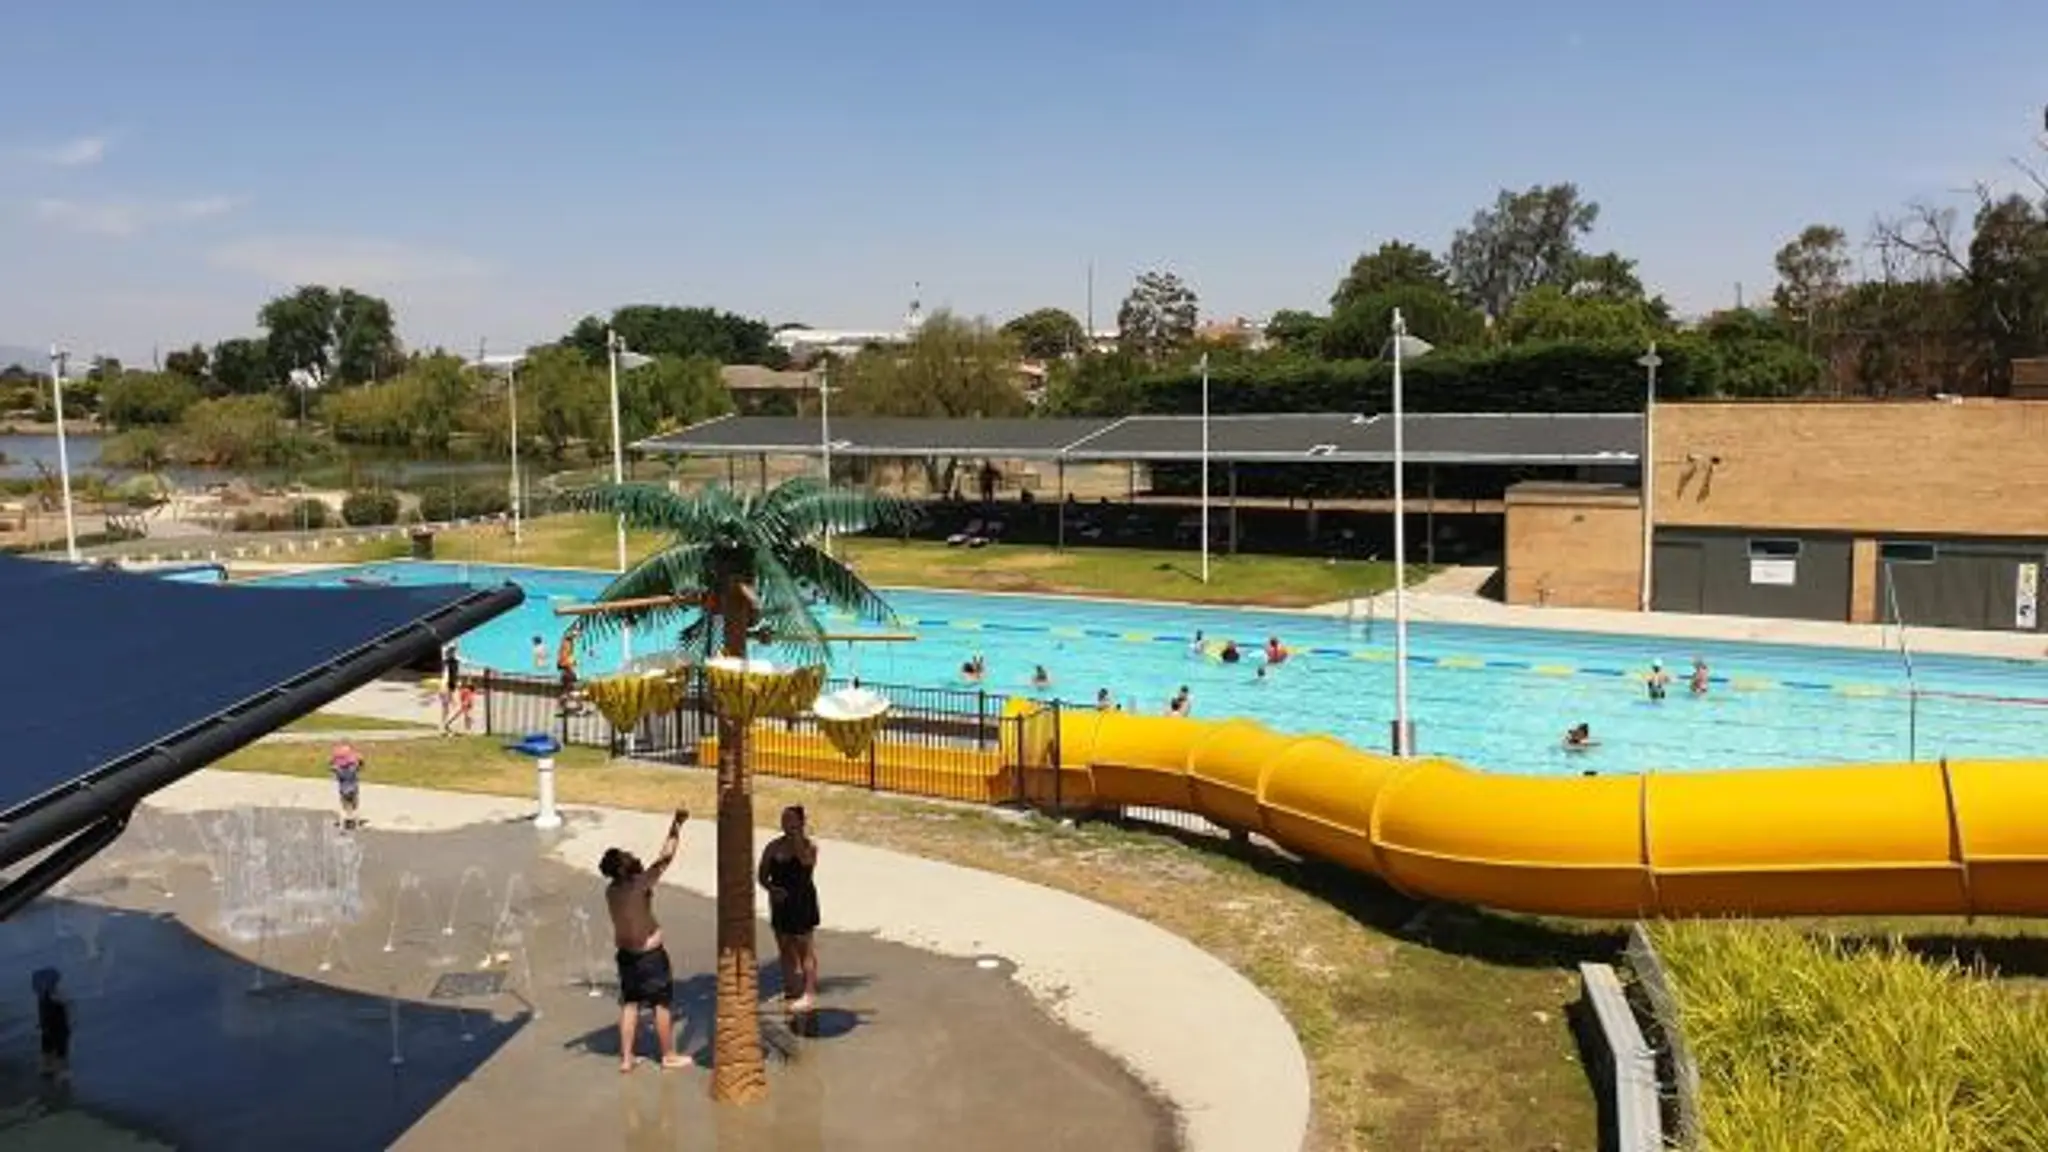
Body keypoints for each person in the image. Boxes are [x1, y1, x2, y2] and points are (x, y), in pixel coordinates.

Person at [600, 807, 690, 1073]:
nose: (635, 857)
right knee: (661, 1004)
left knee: (630, 1004)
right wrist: (677, 824)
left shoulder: (611, 891)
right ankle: (668, 1055)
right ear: (627, 868)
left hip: (626, 955)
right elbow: (666, 856)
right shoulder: (639, 885)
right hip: (650, 956)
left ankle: (627, 1059)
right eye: (631, 858)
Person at [759, 805, 822, 1014]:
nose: (786, 824)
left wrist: (796, 837)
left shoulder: (809, 846)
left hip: (802, 900)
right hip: (780, 903)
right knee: (785, 947)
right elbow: (761, 875)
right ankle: (791, 988)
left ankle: (810, 992)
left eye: (791, 820)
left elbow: (806, 862)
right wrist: (771, 889)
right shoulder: (773, 847)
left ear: (801, 823)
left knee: (805, 948)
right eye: (784, 820)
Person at [32, 967, 68, 1084]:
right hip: (58, 1029)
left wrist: (41, 1024)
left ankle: (45, 1070)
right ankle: (60, 1076)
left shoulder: (41, 998)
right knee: (60, 1052)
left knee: (46, 1050)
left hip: (46, 1029)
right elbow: (65, 1008)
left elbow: (42, 1014)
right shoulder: (56, 998)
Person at [329, 743, 363, 830]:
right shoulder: (353, 768)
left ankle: (342, 824)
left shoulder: (339, 770)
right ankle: (356, 823)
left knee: (344, 806)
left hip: (343, 790)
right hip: (353, 789)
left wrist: (333, 762)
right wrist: (358, 760)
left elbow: (332, 767)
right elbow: (360, 764)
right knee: (354, 806)